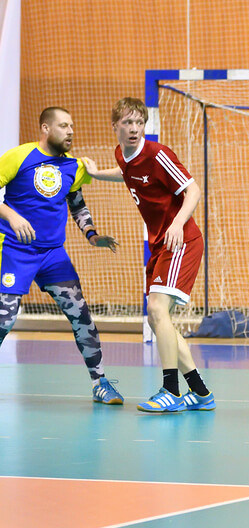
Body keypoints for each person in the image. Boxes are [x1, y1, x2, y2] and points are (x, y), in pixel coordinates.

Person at [82, 97, 215, 413]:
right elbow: (126, 172)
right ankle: (200, 392)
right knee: (159, 320)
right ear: (115, 126)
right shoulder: (122, 154)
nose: (134, 129)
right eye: (128, 122)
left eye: (139, 123)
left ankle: (171, 390)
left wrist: (178, 223)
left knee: (156, 309)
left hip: (181, 241)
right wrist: (97, 174)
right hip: (159, 246)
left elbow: (193, 190)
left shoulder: (157, 154)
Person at [0, 107, 124, 405]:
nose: (71, 131)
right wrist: (12, 216)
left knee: (81, 316)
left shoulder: (74, 167)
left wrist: (92, 234)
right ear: (45, 128)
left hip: (53, 254)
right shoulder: (19, 156)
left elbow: (77, 203)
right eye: (64, 126)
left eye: (72, 126)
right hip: (15, 250)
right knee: (4, 319)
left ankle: (100, 383)